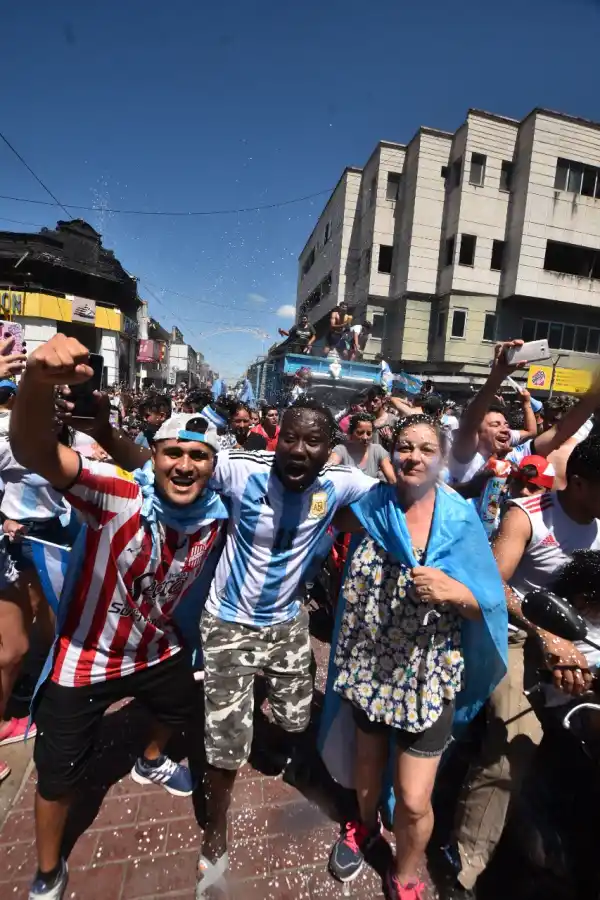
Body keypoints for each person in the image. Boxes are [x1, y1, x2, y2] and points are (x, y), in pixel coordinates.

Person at [10, 334, 229, 900]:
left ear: (214, 466)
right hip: (85, 659)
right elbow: (36, 451)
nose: (184, 465)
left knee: (185, 706)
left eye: (198, 456)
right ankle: (48, 871)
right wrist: (35, 380)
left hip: (157, 651)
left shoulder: (219, 514)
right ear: (152, 458)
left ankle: (150, 759)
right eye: (171, 453)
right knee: (57, 774)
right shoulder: (118, 495)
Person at [194, 400, 378, 895]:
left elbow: (396, 496)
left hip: (287, 622)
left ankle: (263, 727)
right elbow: (178, 463)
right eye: (289, 438)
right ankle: (214, 835)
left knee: (297, 719)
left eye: (312, 442)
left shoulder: (339, 482)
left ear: (328, 451)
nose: (298, 450)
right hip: (229, 620)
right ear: (278, 438)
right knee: (227, 745)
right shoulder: (239, 468)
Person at [320, 415, 507, 900]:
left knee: (415, 798)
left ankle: (405, 873)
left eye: (426, 449)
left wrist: (452, 591)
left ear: (441, 457)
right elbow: (315, 507)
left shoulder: (459, 518)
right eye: (405, 446)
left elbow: (488, 603)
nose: (414, 457)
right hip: (369, 670)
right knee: (366, 771)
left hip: (427, 678)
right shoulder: (372, 505)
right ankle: (363, 828)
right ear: (392, 451)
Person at [445, 436, 600, 898]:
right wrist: (548, 637)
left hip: (589, 638)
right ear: (579, 483)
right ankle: (465, 862)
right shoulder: (527, 514)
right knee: (516, 741)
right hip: (524, 636)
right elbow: (495, 583)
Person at [328, 413, 395, 483]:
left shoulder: (377, 450)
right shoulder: (341, 450)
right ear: (351, 433)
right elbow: (328, 472)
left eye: (369, 433)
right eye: (360, 433)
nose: (365, 437)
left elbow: (393, 480)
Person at [364, 386, 397, 450]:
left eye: (375, 400)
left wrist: (390, 439)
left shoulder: (393, 420)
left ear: (383, 400)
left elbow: (401, 446)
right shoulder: (367, 420)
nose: (372, 404)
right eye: (370, 401)